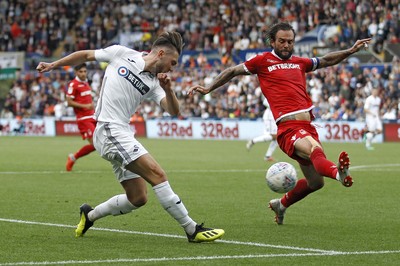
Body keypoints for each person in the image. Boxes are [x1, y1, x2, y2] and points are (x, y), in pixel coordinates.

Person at [36, 31, 224, 242]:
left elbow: (173, 111)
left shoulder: (154, 83)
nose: (173, 67)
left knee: (138, 197)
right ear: (160, 53)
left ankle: (89, 215)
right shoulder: (121, 53)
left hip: (120, 132)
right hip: (108, 129)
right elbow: (86, 55)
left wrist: (168, 89)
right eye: (173, 62)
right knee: (157, 174)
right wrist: (54, 65)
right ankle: (192, 229)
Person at [189, 22, 371, 225]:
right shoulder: (262, 61)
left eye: (290, 42)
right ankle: (339, 173)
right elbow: (232, 71)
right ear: (272, 42)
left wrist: (351, 50)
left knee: (315, 183)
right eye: (282, 41)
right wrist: (208, 88)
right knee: (314, 149)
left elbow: (327, 60)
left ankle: (281, 205)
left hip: (308, 127)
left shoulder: (299, 62)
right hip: (288, 129)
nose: (286, 45)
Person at [65, 63, 97, 171]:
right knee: (96, 144)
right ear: (76, 72)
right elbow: (69, 102)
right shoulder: (73, 85)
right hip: (83, 119)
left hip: (93, 117)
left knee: (103, 142)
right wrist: (86, 106)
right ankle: (73, 158)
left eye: (85, 71)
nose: (83, 74)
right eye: (81, 72)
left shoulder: (86, 83)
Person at [246, 97, 278, 162]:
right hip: (270, 117)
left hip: (274, 116)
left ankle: (268, 156)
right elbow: (265, 102)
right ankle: (253, 141)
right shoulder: (273, 90)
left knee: (277, 137)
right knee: (274, 136)